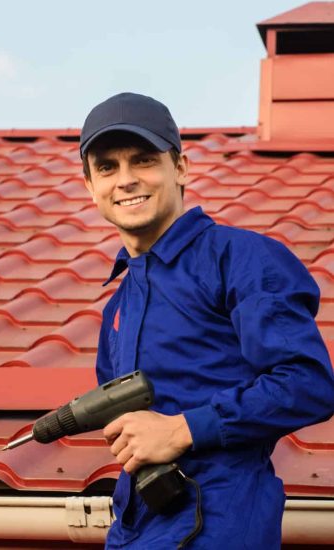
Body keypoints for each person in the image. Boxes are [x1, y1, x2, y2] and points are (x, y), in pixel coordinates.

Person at [80, 92, 334, 549]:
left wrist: (183, 429)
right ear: (89, 186)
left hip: (219, 527)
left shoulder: (240, 258)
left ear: (180, 168)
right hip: (135, 532)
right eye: (107, 167)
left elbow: (307, 384)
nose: (126, 180)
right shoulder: (117, 307)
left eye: (143, 160)